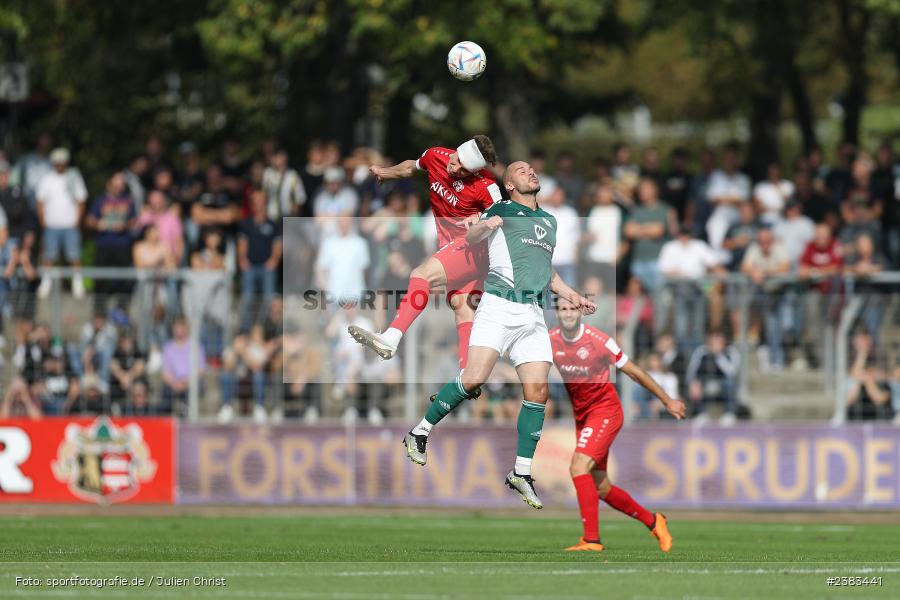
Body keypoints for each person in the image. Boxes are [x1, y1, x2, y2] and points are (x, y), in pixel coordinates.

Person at [402, 161, 596, 509]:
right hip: (499, 306)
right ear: (509, 185)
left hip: (533, 313)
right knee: (474, 378)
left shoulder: (549, 221)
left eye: (532, 169)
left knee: (538, 392)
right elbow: (471, 236)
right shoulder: (500, 209)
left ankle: (521, 472)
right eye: (522, 171)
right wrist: (484, 224)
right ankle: (419, 432)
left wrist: (574, 296)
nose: (531, 172)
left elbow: (547, 272)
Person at [348, 135, 503, 367]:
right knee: (462, 307)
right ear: (456, 150)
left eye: (464, 170)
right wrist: (385, 172)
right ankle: (468, 373)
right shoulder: (435, 156)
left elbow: (504, 216)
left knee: (421, 274)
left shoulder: (487, 185)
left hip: (473, 247)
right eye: (457, 161)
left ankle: (391, 337)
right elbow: (410, 168)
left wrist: (481, 217)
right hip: (451, 246)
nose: (456, 168)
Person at [550, 296, 684, 552]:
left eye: (572, 308)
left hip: (605, 412)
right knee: (601, 487)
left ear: (581, 312)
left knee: (578, 467)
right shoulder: (549, 340)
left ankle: (591, 540)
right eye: (562, 309)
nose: (567, 313)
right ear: (556, 313)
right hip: (583, 416)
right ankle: (654, 521)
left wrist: (667, 400)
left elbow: (635, 371)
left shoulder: (599, 341)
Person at [36, 148, 88, 299]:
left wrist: (77, 221)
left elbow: (81, 200)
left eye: (62, 162)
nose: (60, 165)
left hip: (70, 225)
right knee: (48, 256)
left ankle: (77, 284)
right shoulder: (47, 179)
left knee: (74, 255)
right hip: (51, 225)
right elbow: (40, 202)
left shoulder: (74, 177)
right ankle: (46, 283)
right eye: (57, 162)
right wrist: (43, 221)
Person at [238, 189, 282, 332]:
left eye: (261, 201)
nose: (258, 204)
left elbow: (277, 244)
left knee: (269, 298)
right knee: (247, 298)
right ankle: (245, 330)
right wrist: (243, 259)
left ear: (266, 203)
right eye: (255, 201)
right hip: (250, 267)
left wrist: (274, 260)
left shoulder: (273, 224)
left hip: (266, 267)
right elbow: (242, 242)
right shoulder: (246, 224)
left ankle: (269, 329)